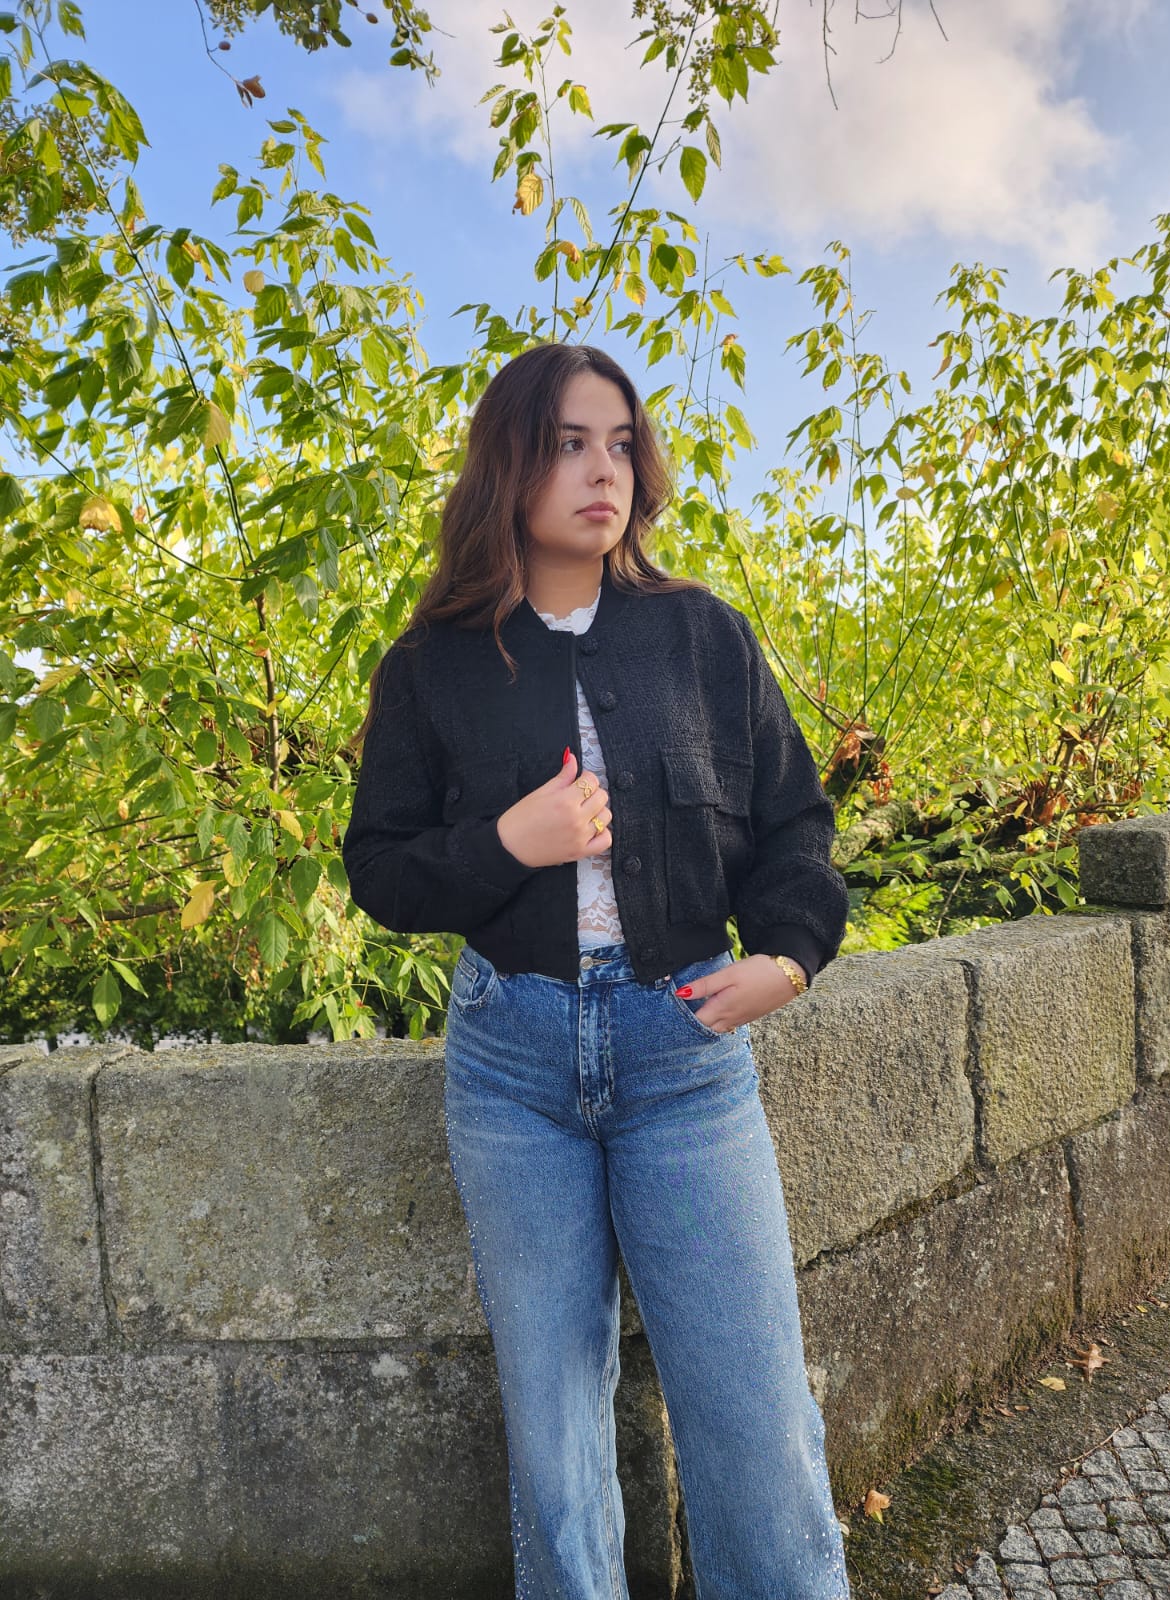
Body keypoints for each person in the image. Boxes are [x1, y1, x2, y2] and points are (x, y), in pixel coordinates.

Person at [342, 342, 851, 1599]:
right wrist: (509, 842)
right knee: (556, 1435)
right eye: (569, 443)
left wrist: (790, 955)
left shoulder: (702, 636)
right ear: (507, 463)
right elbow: (382, 871)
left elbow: (794, 822)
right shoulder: (429, 666)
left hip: (686, 1062)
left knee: (756, 1414)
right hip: (512, 1074)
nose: (603, 470)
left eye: (620, 443)